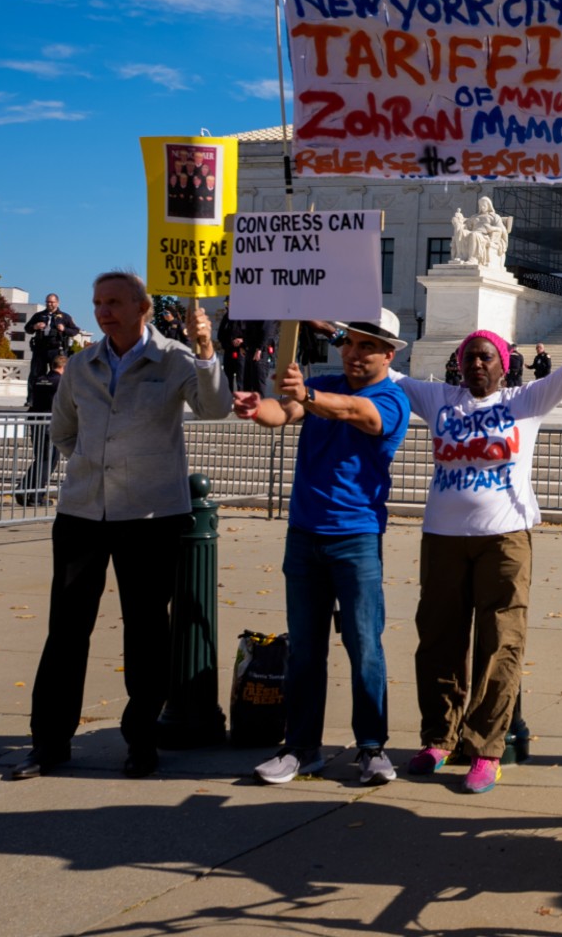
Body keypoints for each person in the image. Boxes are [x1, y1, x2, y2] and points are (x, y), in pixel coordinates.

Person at [393, 290, 562, 794]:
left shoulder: (525, 402)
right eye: (468, 357)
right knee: (439, 640)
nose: (474, 365)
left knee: (499, 643)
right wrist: (330, 328)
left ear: (504, 365)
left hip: (505, 539)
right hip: (442, 539)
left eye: (484, 357)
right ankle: (438, 739)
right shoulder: (437, 399)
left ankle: (486, 747)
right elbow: (384, 370)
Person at [10, 271, 231, 780]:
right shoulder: (83, 364)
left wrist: (206, 352)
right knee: (66, 629)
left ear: (142, 307)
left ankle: (141, 740)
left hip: (151, 515)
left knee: (147, 629)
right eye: (97, 303)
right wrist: (93, 464)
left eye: (113, 302)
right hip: (83, 512)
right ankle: (49, 742)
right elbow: (64, 431)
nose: (103, 311)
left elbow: (215, 408)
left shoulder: (175, 357)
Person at [236, 309, 413, 787]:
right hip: (305, 534)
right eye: (350, 343)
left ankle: (372, 747)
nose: (354, 353)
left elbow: (357, 414)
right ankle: (301, 748)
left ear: (388, 354)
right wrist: (258, 407)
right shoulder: (326, 382)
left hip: (356, 536)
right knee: (306, 651)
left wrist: (307, 394)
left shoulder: (391, 398)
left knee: (364, 647)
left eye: (366, 346)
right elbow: (284, 412)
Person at [15, 351, 66, 505]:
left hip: (36, 422)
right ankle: (35, 496)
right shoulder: (62, 382)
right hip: (51, 424)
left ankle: (25, 490)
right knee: (49, 460)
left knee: (42, 459)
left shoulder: (39, 380)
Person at [23, 293, 79, 397]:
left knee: (59, 375)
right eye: (48, 302)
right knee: (36, 375)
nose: (50, 304)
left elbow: (75, 331)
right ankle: (32, 399)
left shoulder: (65, 317)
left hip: (57, 350)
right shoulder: (39, 315)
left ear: (57, 303)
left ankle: (60, 398)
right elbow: (27, 328)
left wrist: (64, 329)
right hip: (40, 349)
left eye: (52, 302)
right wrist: (35, 326)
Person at [220, 303, 274, 396]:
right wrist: (243, 346)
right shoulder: (247, 314)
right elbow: (246, 330)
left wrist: (259, 349)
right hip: (248, 349)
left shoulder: (265, 313)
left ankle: (260, 407)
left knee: (258, 383)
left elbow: (265, 332)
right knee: (247, 382)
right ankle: (246, 405)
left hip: (259, 351)